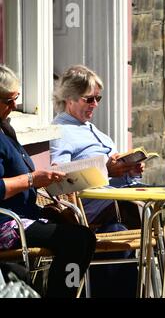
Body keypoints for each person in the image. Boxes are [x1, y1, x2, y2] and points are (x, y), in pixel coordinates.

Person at [50, 65, 165, 298]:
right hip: (99, 207)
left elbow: (115, 174)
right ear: (69, 98)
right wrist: (106, 169)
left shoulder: (92, 129)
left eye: (98, 98)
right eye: (89, 99)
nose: (95, 104)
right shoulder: (60, 132)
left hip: (122, 196)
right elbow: (62, 176)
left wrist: (129, 168)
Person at [0, 64, 96, 298]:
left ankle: (60, 291)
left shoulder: (5, 129)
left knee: (83, 236)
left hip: (25, 216)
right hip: (6, 223)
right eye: (8, 101)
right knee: (76, 240)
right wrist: (33, 179)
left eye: (16, 100)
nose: (14, 107)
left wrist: (51, 180)